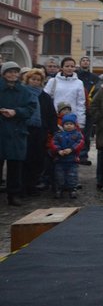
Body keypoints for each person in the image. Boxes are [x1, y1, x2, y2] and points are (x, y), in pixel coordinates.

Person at [1, 61, 35, 206]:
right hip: (1, 130)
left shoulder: (24, 91)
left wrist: (16, 112)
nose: (13, 75)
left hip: (17, 131)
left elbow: (31, 108)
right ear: (4, 74)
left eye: (15, 72)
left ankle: (13, 194)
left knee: (15, 165)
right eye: (9, 72)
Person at [43, 57, 88, 164]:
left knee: (70, 146)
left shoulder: (79, 83)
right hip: (55, 118)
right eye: (67, 66)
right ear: (62, 67)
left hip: (71, 120)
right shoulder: (53, 81)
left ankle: (68, 170)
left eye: (72, 66)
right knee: (55, 145)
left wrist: (81, 121)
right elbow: (45, 99)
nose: (69, 68)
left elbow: (81, 103)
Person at [21, 68, 58, 196]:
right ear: (27, 80)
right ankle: (22, 187)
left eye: (38, 80)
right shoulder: (22, 93)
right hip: (24, 130)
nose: (35, 82)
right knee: (24, 160)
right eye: (33, 79)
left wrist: (53, 130)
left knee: (37, 160)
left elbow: (51, 114)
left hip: (40, 131)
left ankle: (32, 185)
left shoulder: (45, 96)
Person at [50, 112, 84, 199]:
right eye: (66, 124)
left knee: (72, 176)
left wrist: (71, 149)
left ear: (75, 125)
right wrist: (58, 150)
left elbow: (80, 143)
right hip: (60, 160)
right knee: (59, 176)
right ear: (63, 125)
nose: (69, 126)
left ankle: (72, 189)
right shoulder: (58, 134)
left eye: (71, 124)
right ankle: (59, 189)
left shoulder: (77, 134)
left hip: (72, 160)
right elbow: (53, 143)